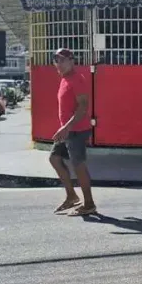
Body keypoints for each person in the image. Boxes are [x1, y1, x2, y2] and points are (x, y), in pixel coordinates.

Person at [49, 48, 96, 216]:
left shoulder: (77, 79)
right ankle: (71, 196)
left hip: (77, 130)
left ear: (72, 61)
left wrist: (66, 127)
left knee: (78, 165)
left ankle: (89, 204)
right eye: (56, 60)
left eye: (62, 60)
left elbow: (83, 107)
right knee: (55, 158)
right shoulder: (65, 79)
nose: (58, 64)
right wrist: (64, 128)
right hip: (68, 130)